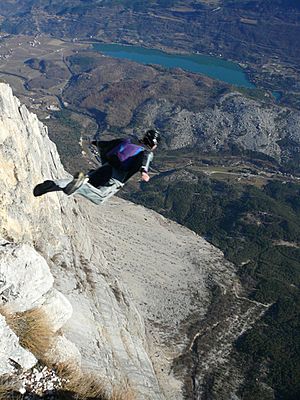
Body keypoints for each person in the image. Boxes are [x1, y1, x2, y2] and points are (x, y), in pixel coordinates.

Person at [33, 129, 160, 205]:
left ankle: (57, 184)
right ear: (153, 144)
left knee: (89, 182)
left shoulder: (127, 140)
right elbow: (145, 160)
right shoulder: (147, 152)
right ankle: (80, 184)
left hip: (105, 167)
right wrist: (144, 172)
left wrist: (93, 142)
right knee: (100, 198)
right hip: (116, 176)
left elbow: (106, 145)